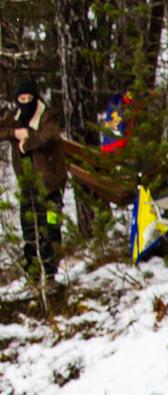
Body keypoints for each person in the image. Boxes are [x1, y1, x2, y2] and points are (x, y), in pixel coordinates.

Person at [10, 82, 67, 285]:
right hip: (28, 186)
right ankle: (33, 275)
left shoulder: (47, 116)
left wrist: (27, 140)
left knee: (51, 227)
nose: (25, 103)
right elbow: (4, 129)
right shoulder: (15, 118)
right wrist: (14, 133)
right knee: (30, 230)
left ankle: (51, 274)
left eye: (28, 99)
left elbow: (47, 136)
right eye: (21, 100)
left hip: (51, 185)